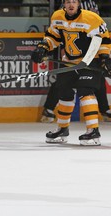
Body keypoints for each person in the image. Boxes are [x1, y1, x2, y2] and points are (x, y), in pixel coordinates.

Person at [31, 0, 111, 145]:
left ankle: (93, 131)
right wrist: (43, 47)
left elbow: (104, 39)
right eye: (68, 2)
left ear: (78, 3)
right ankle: (62, 129)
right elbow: (53, 37)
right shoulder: (57, 17)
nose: (71, 4)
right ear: (64, 4)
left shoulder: (91, 18)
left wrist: (105, 58)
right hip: (70, 61)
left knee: (85, 90)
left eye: (74, 1)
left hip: (90, 61)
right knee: (64, 91)